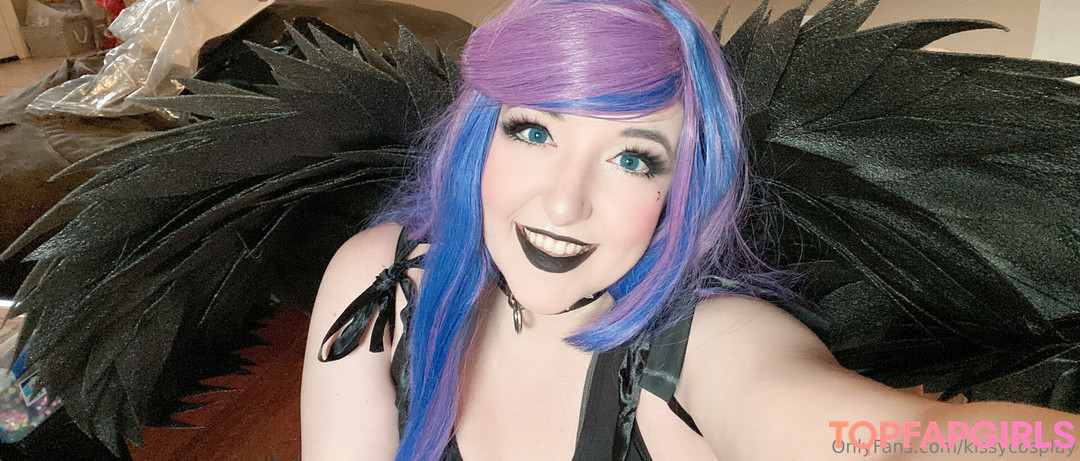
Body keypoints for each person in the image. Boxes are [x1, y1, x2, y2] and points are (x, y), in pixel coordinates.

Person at [301, 0, 1080, 459]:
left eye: (632, 157)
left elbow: (896, 440)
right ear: (481, 137)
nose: (564, 205)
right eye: (534, 131)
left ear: (681, 184)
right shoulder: (381, 283)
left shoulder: (709, 343)